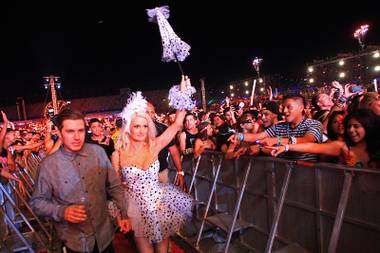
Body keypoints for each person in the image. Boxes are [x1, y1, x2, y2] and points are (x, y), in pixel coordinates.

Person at [30, 108, 131, 253]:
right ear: (59, 133)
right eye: (70, 131)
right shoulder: (48, 165)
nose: (77, 137)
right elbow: (37, 202)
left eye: (81, 131)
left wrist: (124, 213)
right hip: (74, 240)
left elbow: (114, 185)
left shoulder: (98, 153)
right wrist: (61, 211)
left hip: (104, 235)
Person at [111, 75, 193, 253]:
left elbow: (178, 122)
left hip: (159, 204)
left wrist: (183, 93)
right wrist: (121, 215)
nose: (141, 130)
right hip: (135, 209)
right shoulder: (118, 154)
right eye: (136, 126)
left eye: (144, 126)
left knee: (162, 248)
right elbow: (116, 188)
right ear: (128, 127)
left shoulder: (155, 145)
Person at [268, 109, 379, 169]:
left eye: (356, 126)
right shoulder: (343, 147)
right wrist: (286, 146)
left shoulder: (377, 149)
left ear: (368, 126)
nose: (350, 130)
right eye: (349, 126)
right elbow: (313, 147)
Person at [146, 102, 185, 190]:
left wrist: (180, 172)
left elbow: (174, 151)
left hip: (161, 173)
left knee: (163, 202)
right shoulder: (132, 132)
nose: (149, 115)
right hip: (141, 178)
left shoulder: (162, 129)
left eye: (152, 112)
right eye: (146, 112)